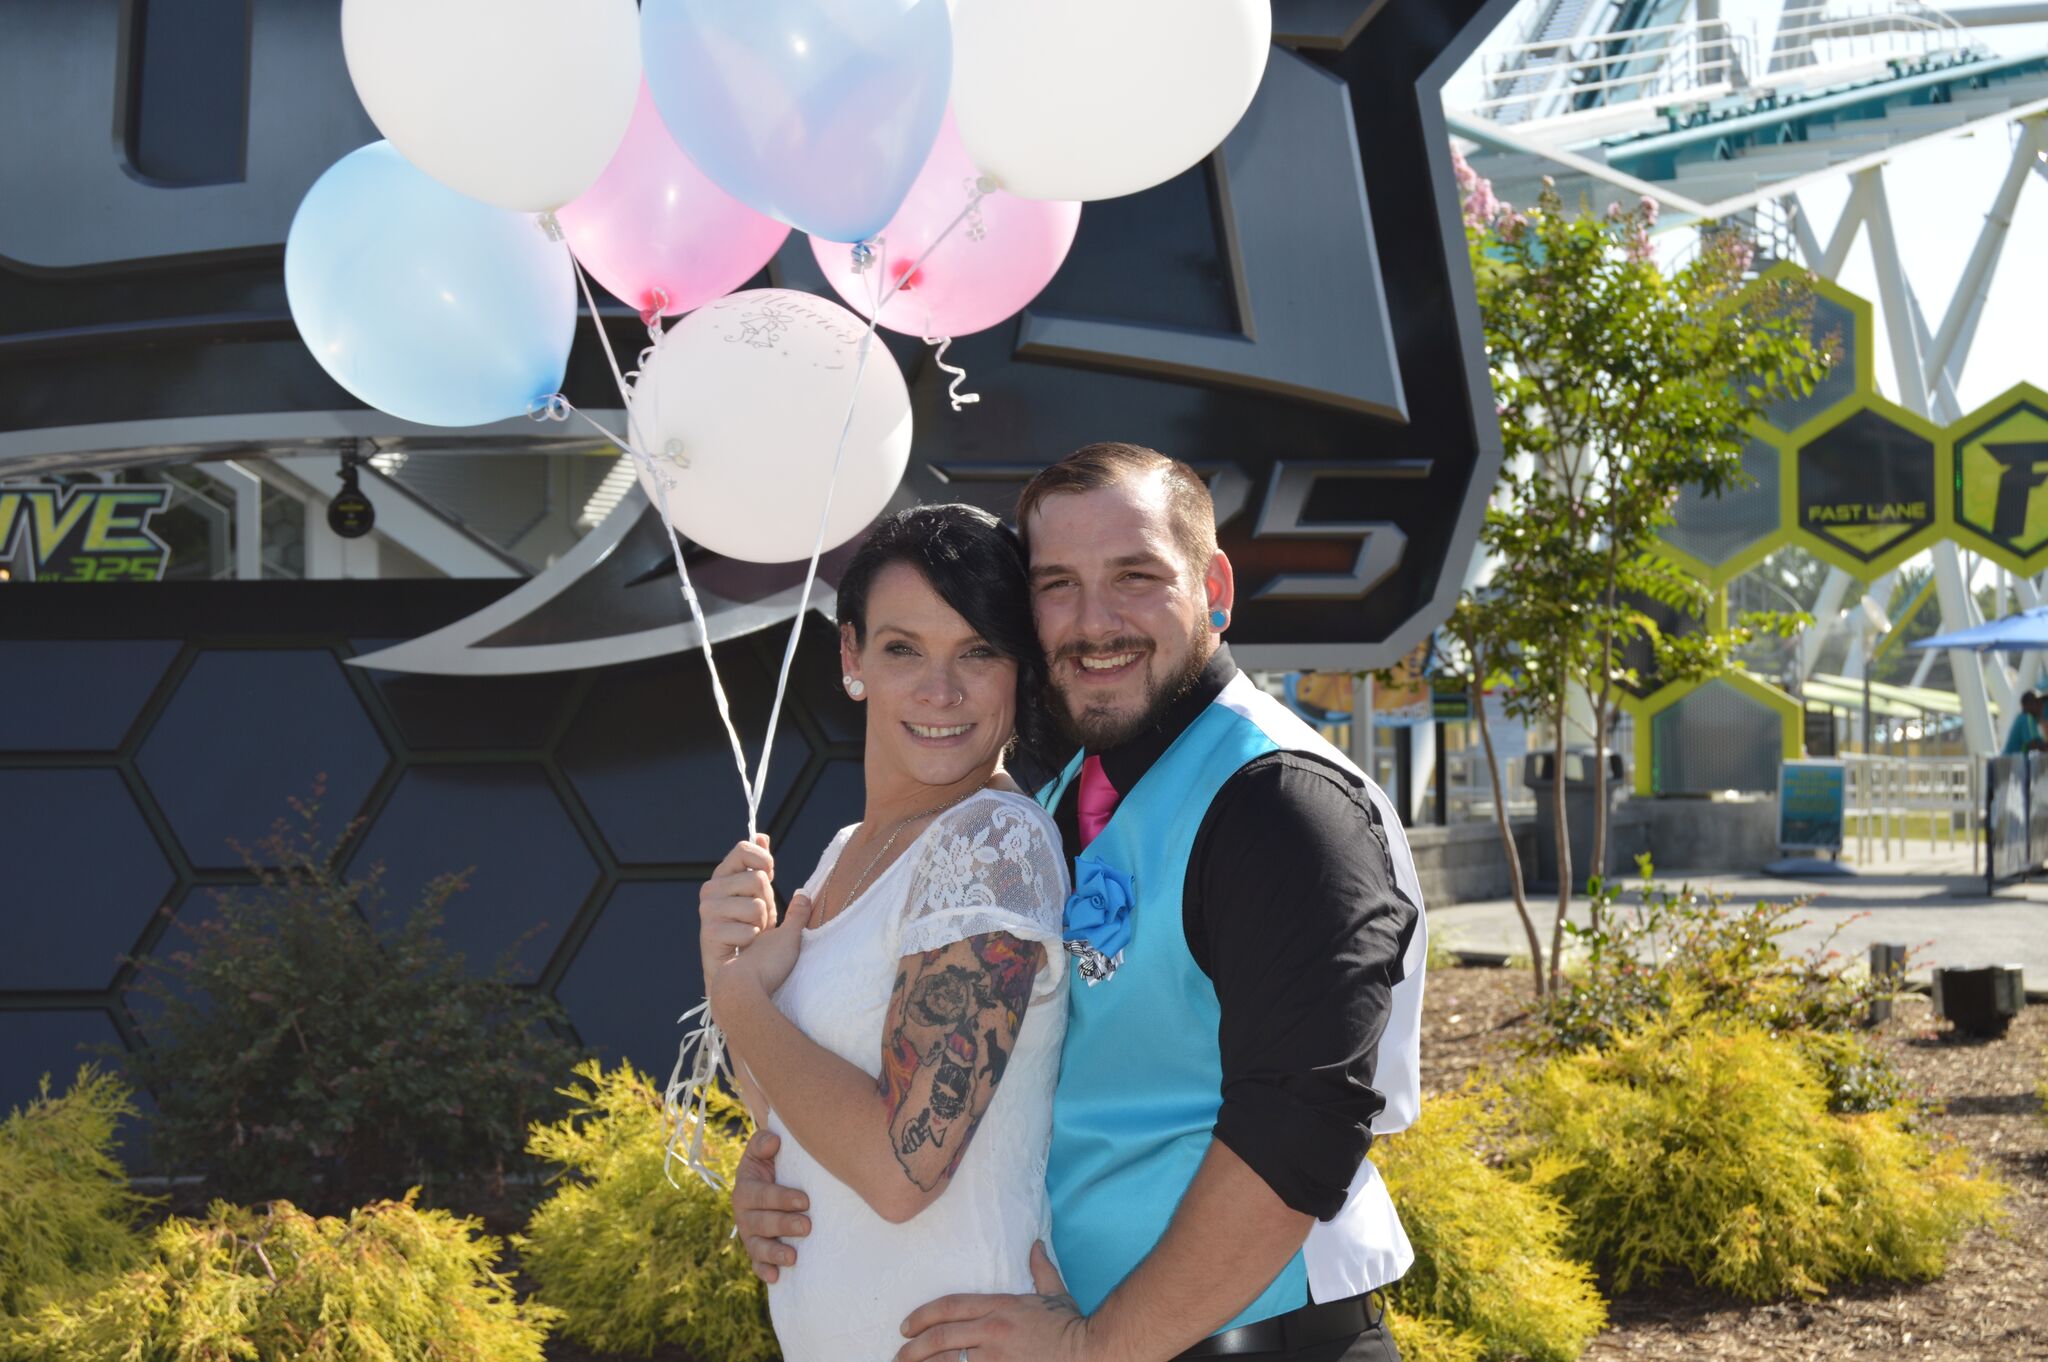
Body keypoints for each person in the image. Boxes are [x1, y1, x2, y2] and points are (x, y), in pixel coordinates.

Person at [735, 444, 1428, 1362]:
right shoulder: (1068, 797)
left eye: (1135, 577)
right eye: (1059, 585)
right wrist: (791, 1177)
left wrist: (1097, 1347)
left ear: (1214, 589)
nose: (1094, 622)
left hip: (1257, 1340)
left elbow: (1297, 1134)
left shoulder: (1282, 803)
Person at [697, 504, 1071, 1362]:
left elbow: (902, 1173)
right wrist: (726, 957)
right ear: (851, 656)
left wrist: (735, 996)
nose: (941, 692)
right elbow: (785, 1112)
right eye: (904, 649)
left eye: (978, 651)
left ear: (1020, 670)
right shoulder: (842, 854)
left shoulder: (991, 845)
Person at [2001, 689, 2046, 755]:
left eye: (2041, 702)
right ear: (2027, 705)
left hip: (2012, 761)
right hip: (2011, 762)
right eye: (2037, 702)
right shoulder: (2027, 718)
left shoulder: (2025, 718)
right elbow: (2033, 745)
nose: (2041, 706)